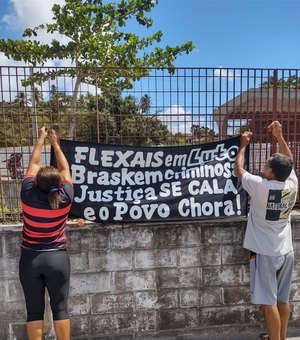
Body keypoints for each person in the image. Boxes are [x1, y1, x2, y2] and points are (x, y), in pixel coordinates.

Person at [234, 121, 298, 340]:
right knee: (283, 299)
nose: (264, 166)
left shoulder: (260, 186)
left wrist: (242, 145)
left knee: (268, 302)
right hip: (286, 251)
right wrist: (280, 137)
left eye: (267, 164)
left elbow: (239, 170)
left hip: (265, 253)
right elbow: (288, 163)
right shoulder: (291, 184)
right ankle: (279, 337)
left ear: (271, 172)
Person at [19, 127, 74, 340]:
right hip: (58, 259)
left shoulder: (27, 195)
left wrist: (41, 138)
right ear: (58, 184)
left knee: (34, 311)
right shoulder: (66, 198)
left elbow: (33, 165)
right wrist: (56, 143)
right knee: (61, 309)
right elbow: (65, 169)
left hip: (30, 258)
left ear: (35, 184)